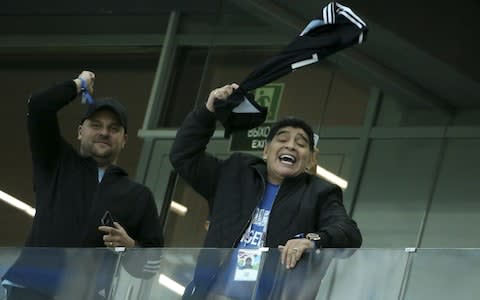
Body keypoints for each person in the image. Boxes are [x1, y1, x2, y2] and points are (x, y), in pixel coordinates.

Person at [169, 83, 362, 299]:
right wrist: (208, 112)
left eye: (301, 144)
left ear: (310, 159)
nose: (290, 146)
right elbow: (184, 157)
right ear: (266, 150)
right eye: (282, 139)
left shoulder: (320, 193)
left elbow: (349, 233)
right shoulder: (235, 172)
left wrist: (312, 240)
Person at [2, 71, 164, 300]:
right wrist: (78, 84)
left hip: (86, 294)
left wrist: (130, 247)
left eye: (114, 128)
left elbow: (153, 264)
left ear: (125, 139)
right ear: (80, 132)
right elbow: (38, 106)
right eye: (96, 125)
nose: (104, 132)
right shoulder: (56, 161)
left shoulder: (138, 195)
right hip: (30, 288)